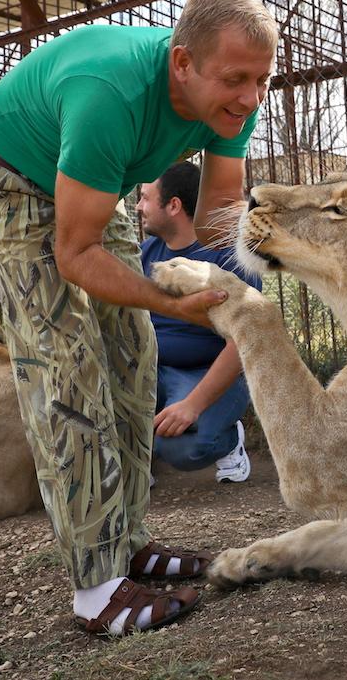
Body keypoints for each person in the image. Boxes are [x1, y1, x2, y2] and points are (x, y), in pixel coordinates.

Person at [0, 0, 278, 636]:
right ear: (183, 64)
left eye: (263, 80)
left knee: (134, 356)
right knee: (67, 365)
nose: (250, 97)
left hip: (101, 183)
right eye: (237, 80)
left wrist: (253, 270)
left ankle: (126, 542)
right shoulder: (114, 93)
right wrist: (174, 302)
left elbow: (218, 215)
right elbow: (75, 255)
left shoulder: (230, 100)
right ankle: (97, 590)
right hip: (14, 176)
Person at [137, 162, 260, 483]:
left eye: (145, 198)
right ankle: (138, 456)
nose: (138, 207)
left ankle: (227, 438)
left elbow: (243, 342)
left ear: (173, 205)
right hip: (152, 370)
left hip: (208, 371)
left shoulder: (229, 258)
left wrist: (193, 405)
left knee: (185, 448)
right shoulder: (143, 253)